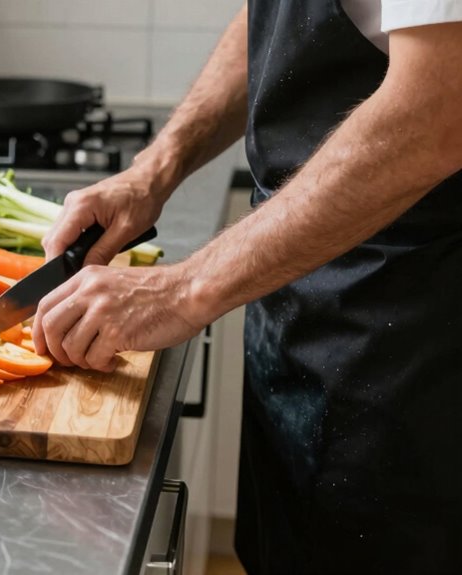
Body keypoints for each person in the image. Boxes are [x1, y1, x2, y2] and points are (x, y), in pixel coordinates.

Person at [31, 1, 462, 573]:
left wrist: (181, 291)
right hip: (297, 311)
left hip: (414, 335)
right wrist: (154, 170)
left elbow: (437, 110)